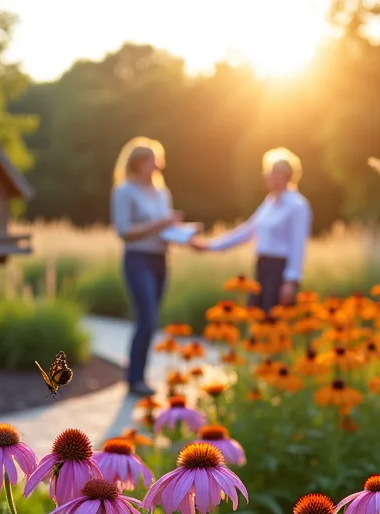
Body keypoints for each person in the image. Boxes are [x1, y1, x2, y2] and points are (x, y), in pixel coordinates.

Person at [191, 147, 312, 312]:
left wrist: (290, 281)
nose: (266, 176)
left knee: (273, 320)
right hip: (262, 266)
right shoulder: (269, 203)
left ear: (283, 175)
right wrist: (209, 245)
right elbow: (247, 231)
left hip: (280, 270)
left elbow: (298, 245)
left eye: (270, 172)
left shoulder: (297, 205)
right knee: (256, 316)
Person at [111, 137, 182, 397]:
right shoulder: (124, 191)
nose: (159, 165)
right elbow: (124, 232)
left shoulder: (164, 193)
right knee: (148, 317)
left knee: (150, 320)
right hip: (137, 259)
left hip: (160, 260)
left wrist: (183, 235)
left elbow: (167, 229)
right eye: (154, 160)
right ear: (139, 163)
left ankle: (139, 374)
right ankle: (135, 378)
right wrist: (162, 224)